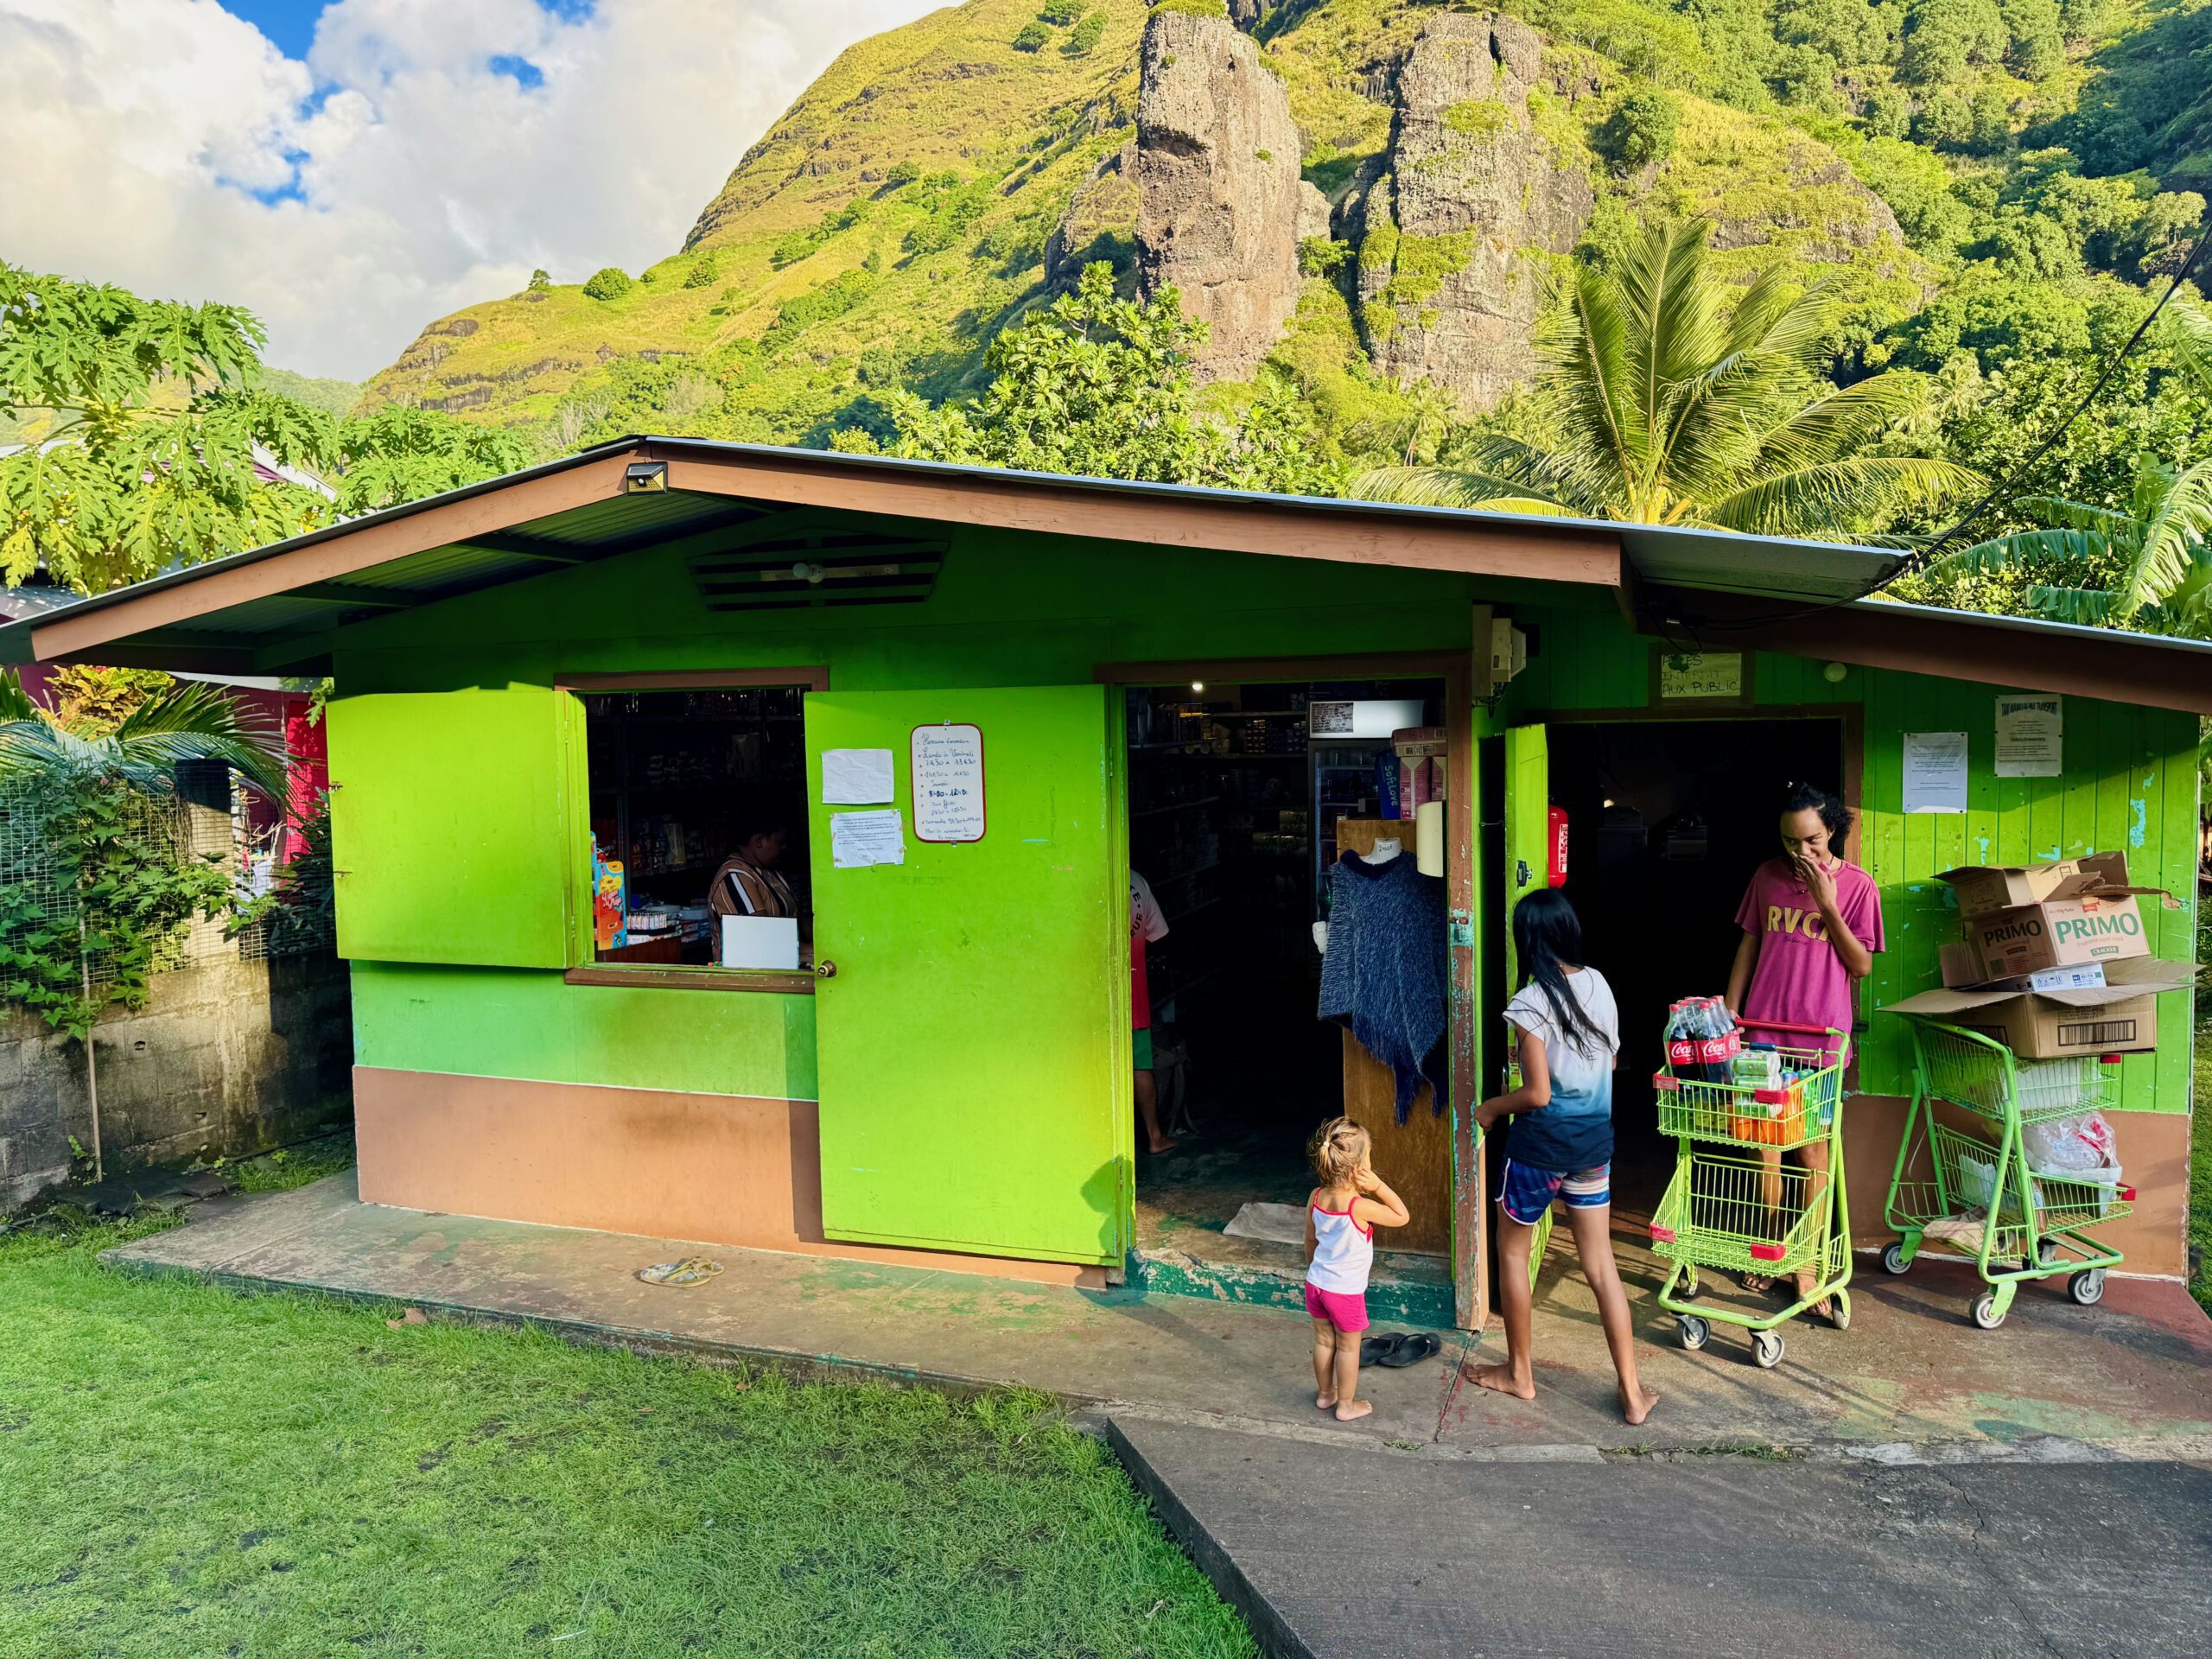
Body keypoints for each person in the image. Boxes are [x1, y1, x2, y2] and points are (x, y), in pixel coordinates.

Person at [1470, 888, 1657, 1426]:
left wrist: (1487, 1110)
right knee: (1601, 1265)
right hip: (1594, 1147)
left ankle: (1519, 1373)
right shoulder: (1598, 983)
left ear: (1525, 940)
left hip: (1540, 1150)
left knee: (1511, 1252)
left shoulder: (1531, 1004)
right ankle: (1632, 1392)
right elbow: (1612, 1057)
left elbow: (1537, 1095)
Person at [1724, 780, 1882, 1312]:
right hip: (1763, 1035)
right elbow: (1750, 943)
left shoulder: (1859, 887)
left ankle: (1806, 1262)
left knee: (1814, 1151)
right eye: (1791, 842)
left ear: (1831, 829)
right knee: (1763, 1146)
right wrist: (1730, 1010)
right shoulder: (1767, 876)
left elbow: (1860, 965)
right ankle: (1771, 1249)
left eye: (1811, 840)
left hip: (1821, 1044)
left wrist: (1827, 905)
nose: (1801, 852)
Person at [1303, 1116, 1410, 1422]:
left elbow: (1310, 1239)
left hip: (1316, 1284)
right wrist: (1378, 1186)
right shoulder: (1358, 1205)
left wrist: (1316, 1270)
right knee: (1349, 1349)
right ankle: (1346, 1405)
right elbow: (1401, 1216)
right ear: (1358, 1167)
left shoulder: (1316, 1196)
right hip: (1344, 1292)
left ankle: (1326, 1395)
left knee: (1324, 1340)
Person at [1131, 869, 1175, 1155]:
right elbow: (1157, 935)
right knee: (1140, 1065)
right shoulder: (1138, 882)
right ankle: (1155, 1136)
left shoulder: (1080, 878)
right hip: (1133, 992)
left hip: (1092, 993)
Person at [707, 808, 797, 922]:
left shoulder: (771, 872)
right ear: (759, 841)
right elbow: (759, 933)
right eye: (779, 842)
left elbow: (801, 921)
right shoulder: (735, 875)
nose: (783, 847)